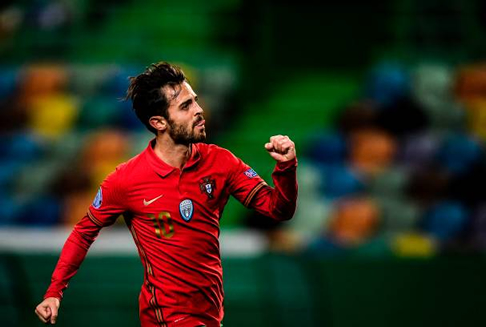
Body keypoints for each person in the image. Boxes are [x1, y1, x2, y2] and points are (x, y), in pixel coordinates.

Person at [34, 62, 298, 327]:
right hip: (165, 317)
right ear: (158, 122)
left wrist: (286, 167)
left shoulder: (222, 162)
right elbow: (84, 232)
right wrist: (54, 292)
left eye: (194, 101)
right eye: (185, 106)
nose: (199, 110)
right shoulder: (126, 179)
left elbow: (278, 209)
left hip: (209, 315)